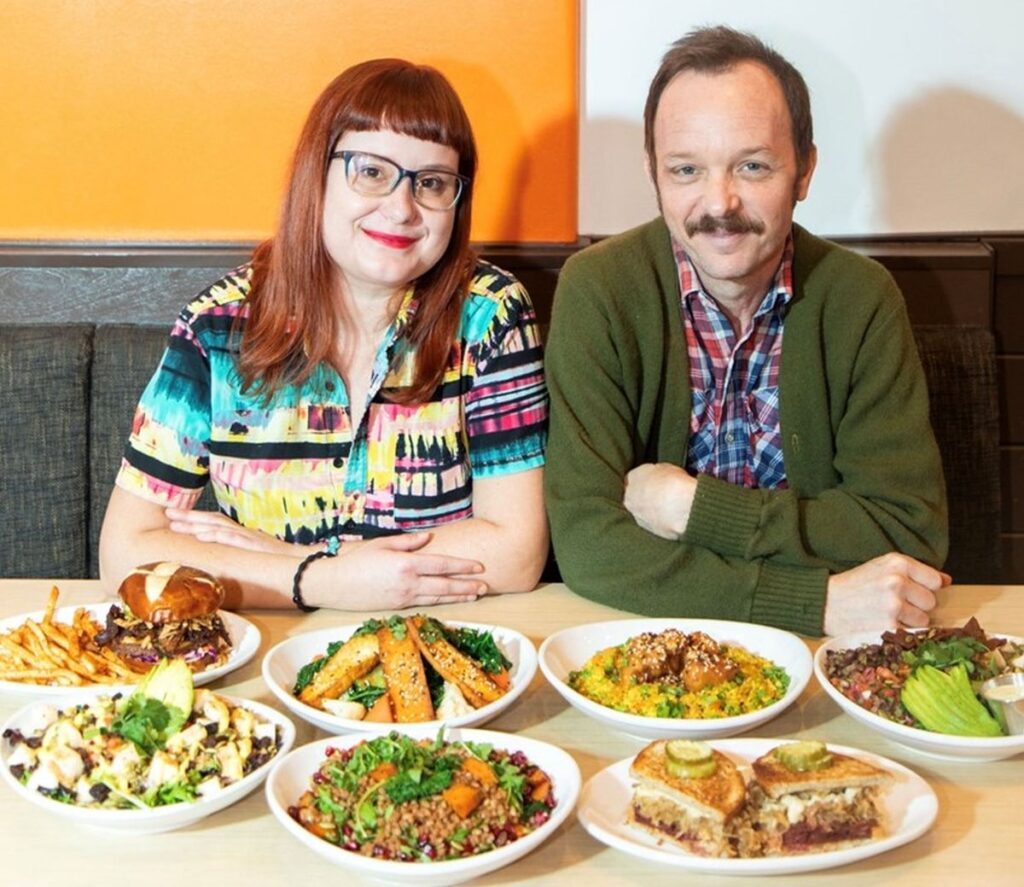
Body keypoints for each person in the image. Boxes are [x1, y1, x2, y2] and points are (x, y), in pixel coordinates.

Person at [544, 26, 949, 638]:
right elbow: (589, 546)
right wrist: (813, 600)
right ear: (654, 174)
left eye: (752, 166)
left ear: (804, 171)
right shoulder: (599, 290)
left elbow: (908, 529)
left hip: (826, 656)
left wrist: (693, 509)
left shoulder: (861, 298)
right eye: (686, 169)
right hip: (656, 643)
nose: (719, 204)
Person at [100, 59, 548, 611]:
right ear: (317, 174)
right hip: (268, 647)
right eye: (372, 172)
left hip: (433, 639)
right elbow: (124, 552)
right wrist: (322, 580)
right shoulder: (218, 325)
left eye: (431, 183)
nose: (402, 208)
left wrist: (294, 557)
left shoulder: (490, 314)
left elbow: (516, 551)